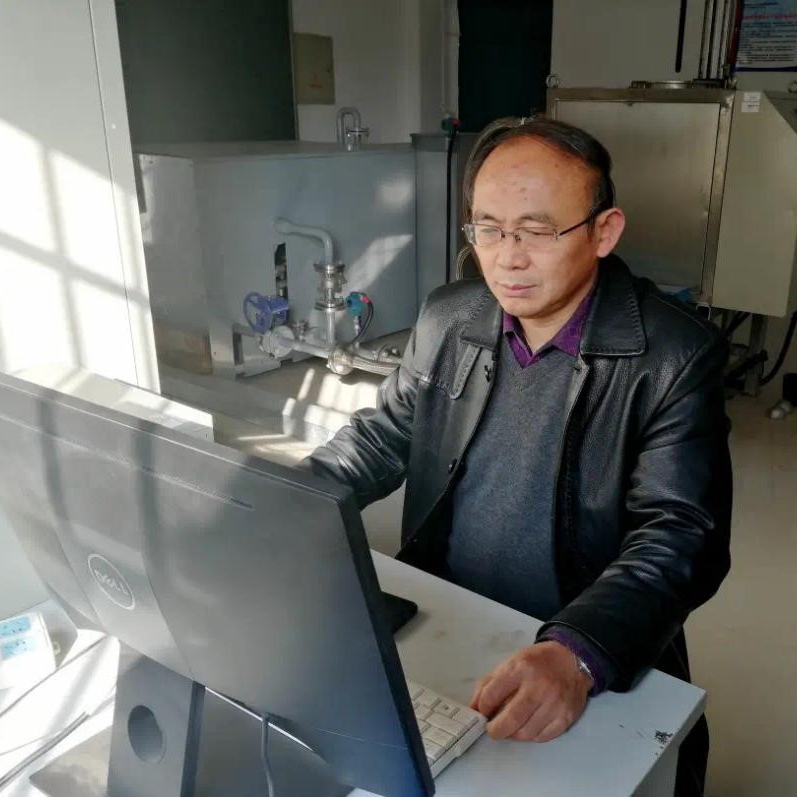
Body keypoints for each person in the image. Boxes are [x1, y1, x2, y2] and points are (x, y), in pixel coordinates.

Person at [304, 116, 732, 796]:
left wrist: (578, 655)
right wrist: (284, 500)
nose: (506, 258)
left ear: (603, 231)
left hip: (581, 634)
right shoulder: (449, 317)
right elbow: (383, 435)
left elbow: (681, 535)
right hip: (447, 615)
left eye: (536, 231)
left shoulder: (673, 356)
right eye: (488, 228)